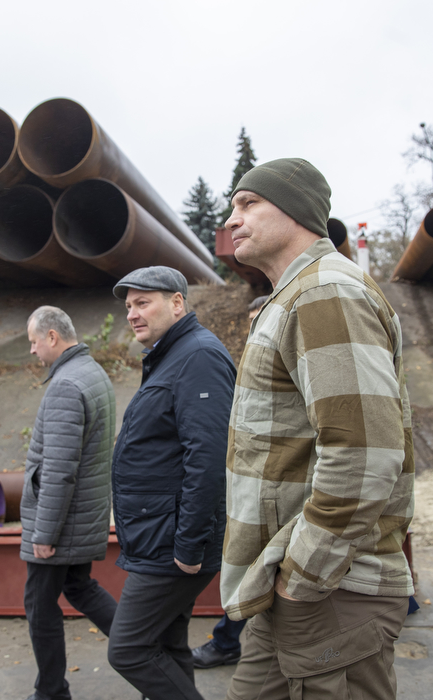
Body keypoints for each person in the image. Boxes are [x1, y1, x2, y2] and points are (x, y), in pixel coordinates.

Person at [221, 158, 415, 699]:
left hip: (330, 588)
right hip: (291, 579)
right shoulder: (298, 295)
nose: (232, 219)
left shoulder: (323, 292)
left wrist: (303, 578)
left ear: (296, 210)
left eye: (247, 203)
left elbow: (366, 453)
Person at [105, 266, 236, 700]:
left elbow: (209, 457)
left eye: (144, 302)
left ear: (177, 303)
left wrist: (188, 544)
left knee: (128, 649)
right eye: (129, 306)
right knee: (167, 641)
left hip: (173, 542)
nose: (133, 314)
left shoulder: (197, 356)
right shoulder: (172, 355)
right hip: (160, 532)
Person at [20, 305, 118, 700]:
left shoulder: (65, 385)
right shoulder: (92, 372)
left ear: (52, 337)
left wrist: (44, 534)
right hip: (81, 517)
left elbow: (59, 469)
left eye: (33, 342)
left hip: (61, 524)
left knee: (39, 607)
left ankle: (51, 693)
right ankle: (148, 647)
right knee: (80, 587)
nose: (32, 351)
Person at [190, 294, 268, 671]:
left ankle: (226, 641)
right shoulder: (249, 362)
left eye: (261, 318)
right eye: (251, 320)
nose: (254, 327)